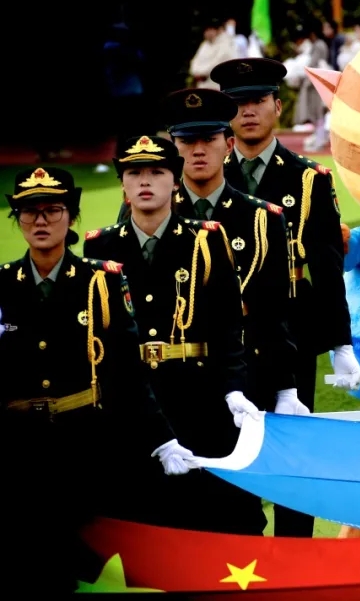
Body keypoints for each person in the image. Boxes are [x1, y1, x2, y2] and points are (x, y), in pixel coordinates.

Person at [1, 167, 195, 592]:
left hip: (85, 448)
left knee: (91, 568)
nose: (41, 221)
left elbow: (128, 372)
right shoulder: (1, 284)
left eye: (52, 210)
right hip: (19, 454)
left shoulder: (102, 280)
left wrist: (162, 439)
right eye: (29, 212)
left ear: (71, 216)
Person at [83, 135, 266, 535]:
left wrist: (234, 389)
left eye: (156, 172)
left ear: (175, 180)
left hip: (199, 395)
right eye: (134, 173)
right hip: (135, 402)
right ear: (123, 184)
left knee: (222, 515)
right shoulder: (101, 246)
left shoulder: (206, 239)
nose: (145, 181)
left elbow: (228, 328)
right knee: (144, 520)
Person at [211, 57, 360, 538]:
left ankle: (296, 555)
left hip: (292, 333)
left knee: (294, 454)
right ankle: (243, 556)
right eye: (237, 103)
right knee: (232, 446)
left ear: (278, 106)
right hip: (223, 333)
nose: (247, 111)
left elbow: (327, 268)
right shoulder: (206, 178)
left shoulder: (307, 178)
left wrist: (340, 342)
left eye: (257, 100)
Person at [160, 87, 308, 419]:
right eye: (187, 141)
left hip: (250, 372)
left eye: (208, 139)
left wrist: (286, 388)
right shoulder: (151, 215)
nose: (198, 150)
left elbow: (274, 310)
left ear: (228, 145)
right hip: (174, 377)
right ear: (173, 149)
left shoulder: (262, 218)